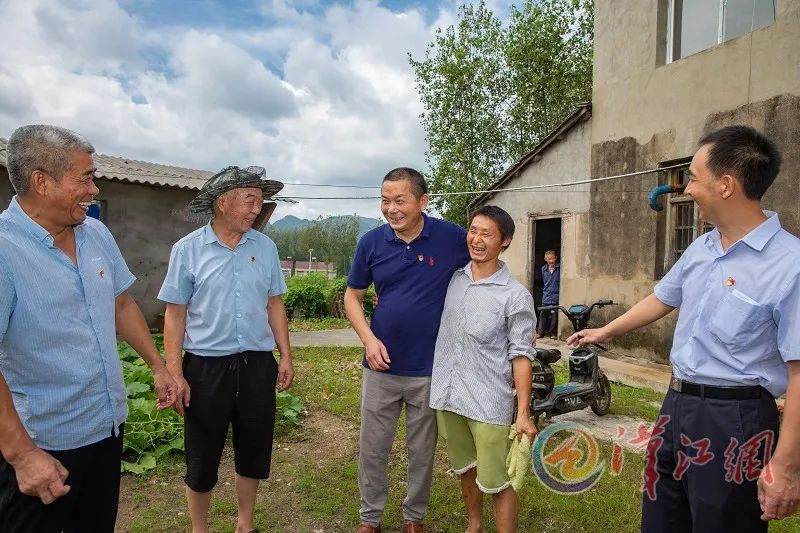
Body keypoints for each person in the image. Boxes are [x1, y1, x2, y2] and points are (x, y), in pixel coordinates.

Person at [567, 125, 800, 532]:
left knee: (722, 522)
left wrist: (785, 465)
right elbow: (663, 298)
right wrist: (605, 332)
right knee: (661, 517)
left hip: (736, 417)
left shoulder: (789, 264)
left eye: (693, 176)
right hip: (676, 406)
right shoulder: (703, 246)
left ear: (726, 185)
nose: (687, 188)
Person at [0, 124, 176, 532]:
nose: (94, 189)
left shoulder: (94, 232)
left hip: (106, 427)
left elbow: (121, 302)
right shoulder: (6, 250)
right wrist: (23, 455)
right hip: (43, 446)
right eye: (85, 177)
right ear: (41, 182)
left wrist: (158, 365)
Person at [158, 166, 294, 533]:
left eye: (259, 201)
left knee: (254, 448)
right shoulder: (187, 250)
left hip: (256, 365)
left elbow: (274, 304)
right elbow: (174, 313)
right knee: (202, 454)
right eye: (250, 200)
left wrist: (285, 355)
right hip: (205, 368)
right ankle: (199, 528)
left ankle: (244, 523)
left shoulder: (265, 248)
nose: (257, 208)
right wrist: (174, 370)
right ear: (223, 203)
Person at [344, 167, 471, 533]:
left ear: (422, 201)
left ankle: (413, 517)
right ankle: (370, 518)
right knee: (373, 448)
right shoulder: (371, 243)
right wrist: (369, 340)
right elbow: (352, 297)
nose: (391, 208)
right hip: (379, 366)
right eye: (385, 200)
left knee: (422, 450)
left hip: (430, 368)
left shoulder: (450, 238)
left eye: (399, 200)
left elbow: (484, 265)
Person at [430, 205, 537, 533]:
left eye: (486, 234)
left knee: (498, 482)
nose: (476, 239)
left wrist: (522, 413)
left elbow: (521, 356)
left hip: (488, 403)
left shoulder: (515, 296)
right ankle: (474, 526)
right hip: (449, 397)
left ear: (504, 241)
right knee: (466, 469)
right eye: (473, 230)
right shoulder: (453, 281)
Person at [536, 250, 560, 338]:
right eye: (549, 259)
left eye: (553, 258)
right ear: (545, 259)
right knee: (543, 313)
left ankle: (553, 333)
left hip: (556, 294)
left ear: (556, 258)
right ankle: (540, 332)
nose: (551, 261)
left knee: (554, 314)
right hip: (546, 294)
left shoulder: (559, 268)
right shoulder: (543, 269)